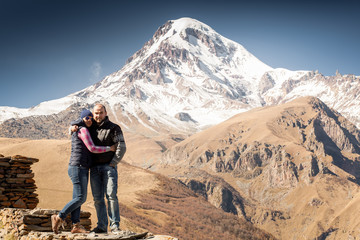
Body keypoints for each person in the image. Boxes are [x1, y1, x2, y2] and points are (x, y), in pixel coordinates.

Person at [51, 109, 117, 234]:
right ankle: (59, 216)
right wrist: (110, 148)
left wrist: (71, 128)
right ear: (82, 119)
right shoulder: (82, 130)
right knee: (81, 198)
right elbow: (92, 148)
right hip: (78, 166)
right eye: (87, 118)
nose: (90, 120)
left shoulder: (81, 128)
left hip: (81, 167)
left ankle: (76, 225)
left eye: (91, 118)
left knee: (77, 197)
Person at [71, 103, 126, 234]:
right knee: (97, 199)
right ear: (92, 114)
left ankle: (115, 226)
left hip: (109, 167)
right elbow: (78, 122)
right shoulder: (89, 127)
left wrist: (113, 163)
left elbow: (122, 147)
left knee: (111, 196)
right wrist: (71, 127)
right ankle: (101, 226)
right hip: (94, 169)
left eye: (101, 113)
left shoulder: (114, 128)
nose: (98, 115)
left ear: (105, 113)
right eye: (96, 113)